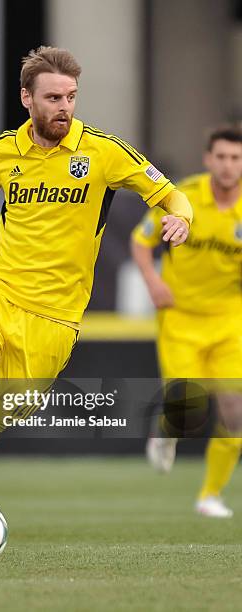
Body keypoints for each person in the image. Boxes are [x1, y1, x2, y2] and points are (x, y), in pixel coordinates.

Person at [0, 46, 192, 559]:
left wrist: (181, 218)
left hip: (54, 322)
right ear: (26, 98)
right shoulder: (3, 153)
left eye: (70, 96)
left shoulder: (104, 153)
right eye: (52, 97)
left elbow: (170, 194)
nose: (64, 107)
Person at [131, 125, 242, 518]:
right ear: (209, 159)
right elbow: (141, 241)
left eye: (236, 158)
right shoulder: (185, 197)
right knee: (187, 408)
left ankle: (210, 494)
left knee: (235, 411)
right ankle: (166, 430)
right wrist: (153, 281)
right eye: (222, 157)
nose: (229, 165)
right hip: (180, 316)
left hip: (230, 320)